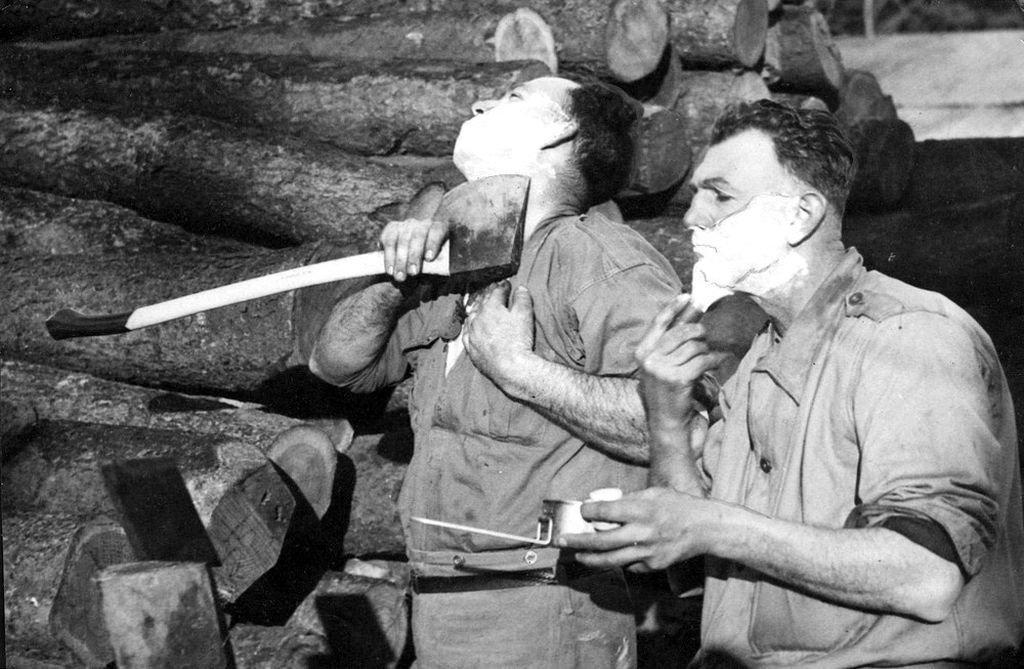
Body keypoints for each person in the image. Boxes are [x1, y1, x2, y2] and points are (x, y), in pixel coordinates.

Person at [559, 100, 1024, 667]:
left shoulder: (908, 336)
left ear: (801, 214)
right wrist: (666, 420)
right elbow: (694, 560)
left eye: (720, 196)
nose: (692, 219)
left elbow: (926, 577)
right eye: (697, 194)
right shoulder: (758, 358)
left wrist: (711, 524)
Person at [308, 76, 683, 667]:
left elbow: (669, 422)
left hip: (546, 606)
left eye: (513, 98)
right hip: (441, 601)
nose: (480, 103)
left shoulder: (599, 260)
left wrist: (518, 369)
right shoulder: (455, 266)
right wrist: (396, 278)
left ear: (561, 135)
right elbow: (336, 365)